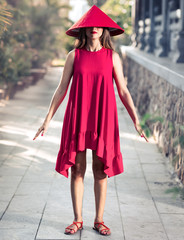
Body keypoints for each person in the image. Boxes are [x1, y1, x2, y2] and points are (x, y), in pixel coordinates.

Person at [33, 5, 148, 236]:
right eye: (89, 25)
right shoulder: (73, 56)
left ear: (103, 29)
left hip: (103, 117)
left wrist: (136, 119)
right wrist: (47, 119)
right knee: (77, 168)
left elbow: (124, 91)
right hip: (78, 116)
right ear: (83, 30)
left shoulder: (112, 57)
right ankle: (77, 220)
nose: (94, 28)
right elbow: (61, 89)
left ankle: (99, 219)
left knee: (100, 170)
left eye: (98, 25)